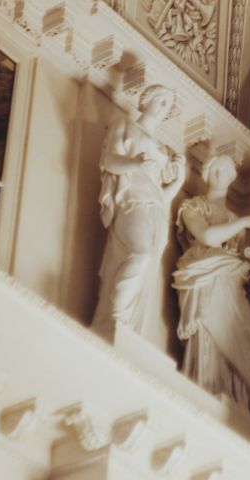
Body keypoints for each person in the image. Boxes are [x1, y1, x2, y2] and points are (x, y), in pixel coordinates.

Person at [91, 84, 186, 341]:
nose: (165, 107)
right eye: (162, 100)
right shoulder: (124, 124)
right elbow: (109, 161)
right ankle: (113, 319)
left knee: (148, 266)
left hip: (157, 208)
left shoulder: (164, 148)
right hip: (133, 200)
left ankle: (126, 330)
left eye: (168, 105)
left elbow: (163, 195)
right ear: (146, 99)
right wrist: (134, 162)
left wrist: (178, 181)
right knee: (140, 255)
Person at [172, 155, 250, 406]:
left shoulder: (234, 221)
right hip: (205, 277)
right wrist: (245, 221)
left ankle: (232, 398)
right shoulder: (193, 206)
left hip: (229, 281)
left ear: (232, 177)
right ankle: (208, 387)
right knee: (210, 327)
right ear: (206, 174)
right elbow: (207, 237)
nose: (219, 174)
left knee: (248, 339)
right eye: (215, 169)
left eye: (225, 170)